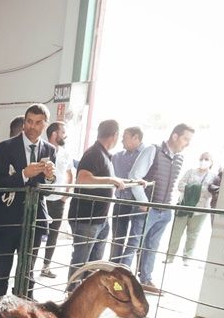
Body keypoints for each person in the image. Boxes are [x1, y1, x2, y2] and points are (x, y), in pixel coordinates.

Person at [0, 104, 56, 297]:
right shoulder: (6, 147)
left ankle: (25, 305)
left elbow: (47, 190)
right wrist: (24, 174)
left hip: (34, 219)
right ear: (24, 121)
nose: (32, 127)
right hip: (7, 218)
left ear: (45, 124)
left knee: (27, 269)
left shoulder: (50, 150)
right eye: (29, 121)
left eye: (38, 123)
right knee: (0, 268)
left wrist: (50, 177)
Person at [66, 119, 127, 289]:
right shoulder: (94, 153)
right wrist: (111, 179)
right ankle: (72, 294)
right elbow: (83, 179)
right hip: (87, 218)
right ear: (114, 135)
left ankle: (87, 295)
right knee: (81, 260)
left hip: (100, 218)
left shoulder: (105, 155)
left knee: (95, 263)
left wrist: (133, 181)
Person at [135, 123, 194, 293]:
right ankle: (122, 283)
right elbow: (135, 176)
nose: (187, 143)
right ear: (175, 136)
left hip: (165, 208)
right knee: (134, 244)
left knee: (152, 246)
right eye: (185, 139)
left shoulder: (179, 158)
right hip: (149, 208)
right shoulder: (153, 150)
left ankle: (146, 280)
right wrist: (143, 202)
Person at [166, 151, 218, 265]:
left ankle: (187, 257)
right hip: (184, 206)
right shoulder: (190, 172)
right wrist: (198, 188)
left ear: (211, 162)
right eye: (202, 158)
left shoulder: (213, 176)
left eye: (206, 159)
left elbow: (211, 192)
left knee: (193, 235)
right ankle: (170, 256)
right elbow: (180, 185)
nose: (203, 161)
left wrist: (192, 188)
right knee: (176, 233)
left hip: (201, 209)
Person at [108, 127, 150, 267]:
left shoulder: (148, 154)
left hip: (139, 203)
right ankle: (113, 269)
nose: (121, 141)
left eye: (125, 137)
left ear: (136, 138)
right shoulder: (117, 157)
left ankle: (125, 271)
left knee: (135, 240)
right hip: (120, 202)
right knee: (117, 239)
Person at [38, 121, 74, 279]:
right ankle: (29, 266)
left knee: (53, 235)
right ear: (54, 134)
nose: (65, 135)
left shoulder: (66, 153)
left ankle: (46, 266)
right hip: (43, 199)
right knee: (37, 234)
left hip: (59, 200)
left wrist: (66, 194)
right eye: (63, 132)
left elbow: (69, 174)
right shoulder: (43, 150)